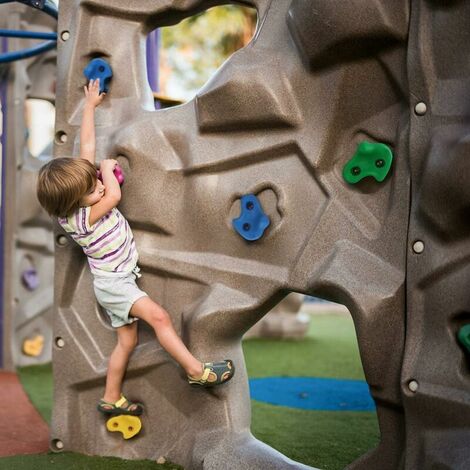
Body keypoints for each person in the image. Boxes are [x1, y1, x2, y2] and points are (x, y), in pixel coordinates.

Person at [36, 79, 234, 416]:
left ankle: (111, 397)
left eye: (95, 182)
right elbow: (113, 195)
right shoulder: (79, 220)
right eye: (91, 189)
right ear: (73, 203)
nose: (97, 187)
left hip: (114, 282)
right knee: (159, 317)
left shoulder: (81, 196)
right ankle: (195, 371)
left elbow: (86, 145)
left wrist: (90, 107)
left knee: (127, 342)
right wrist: (107, 170)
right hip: (116, 286)